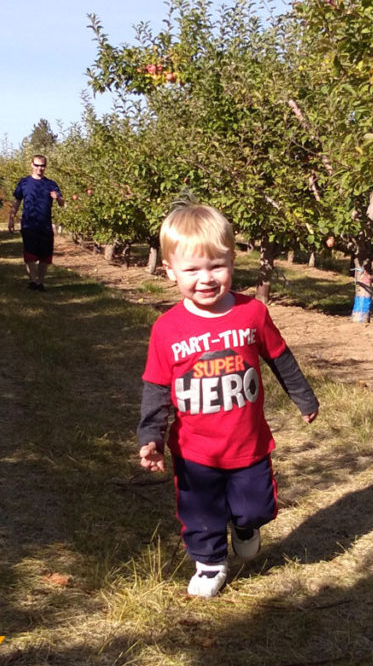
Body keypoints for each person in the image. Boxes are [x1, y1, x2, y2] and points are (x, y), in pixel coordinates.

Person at [137, 204, 319, 597]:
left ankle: (246, 525)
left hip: (247, 443)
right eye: (192, 270)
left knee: (256, 506)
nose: (205, 279)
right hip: (194, 448)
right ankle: (210, 563)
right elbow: (156, 385)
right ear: (170, 271)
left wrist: (303, 397)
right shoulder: (167, 330)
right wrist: (150, 435)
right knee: (200, 512)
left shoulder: (251, 313)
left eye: (216, 266)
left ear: (232, 261)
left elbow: (280, 357)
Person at [8, 154, 63, 291]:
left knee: (45, 256)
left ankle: (41, 282)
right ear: (32, 165)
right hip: (29, 223)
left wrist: (58, 198)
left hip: (45, 225)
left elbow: (62, 203)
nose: (40, 168)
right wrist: (11, 218)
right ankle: (33, 280)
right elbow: (17, 201)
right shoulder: (24, 183)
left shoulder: (51, 184)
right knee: (30, 254)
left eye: (42, 166)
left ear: (45, 166)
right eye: (37, 165)